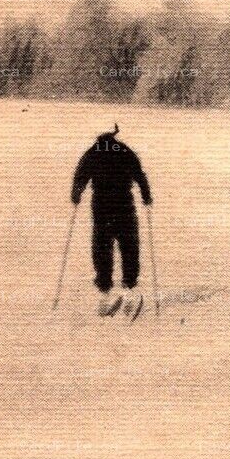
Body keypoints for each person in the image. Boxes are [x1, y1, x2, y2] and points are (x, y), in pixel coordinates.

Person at [70, 125, 152, 318]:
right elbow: (139, 175)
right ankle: (129, 289)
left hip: (102, 209)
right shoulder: (124, 150)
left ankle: (105, 293)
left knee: (102, 249)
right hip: (124, 206)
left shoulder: (93, 152)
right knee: (129, 247)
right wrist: (146, 195)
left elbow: (80, 176)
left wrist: (76, 193)